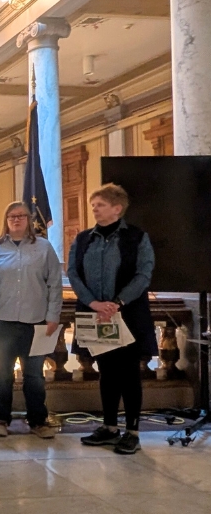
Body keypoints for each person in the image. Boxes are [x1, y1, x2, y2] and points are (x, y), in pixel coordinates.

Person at [67, 183, 155, 455]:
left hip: (127, 314)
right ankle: (109, 427)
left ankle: (132, 431)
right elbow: (73, 273)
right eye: (93, 205)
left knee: (129, 373)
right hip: (95, 314)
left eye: (100, 205)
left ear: (117, 208)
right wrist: (94, 303)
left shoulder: (137, 237)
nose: (94, 209)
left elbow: (143, 274)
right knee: (106, 371)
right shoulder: (83, 239)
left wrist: (118, 302)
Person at [0, 201, 63, 439]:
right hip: (1, 320)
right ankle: (0, 419)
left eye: (21, 216)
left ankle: (37, 420)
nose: (16, 220)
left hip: (36, 321)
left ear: (29, 220)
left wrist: (53, 316)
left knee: (35, 376)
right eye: (12, 216)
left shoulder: (44, 247)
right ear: (6, 221)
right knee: (1, 373)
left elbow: (54, 283)